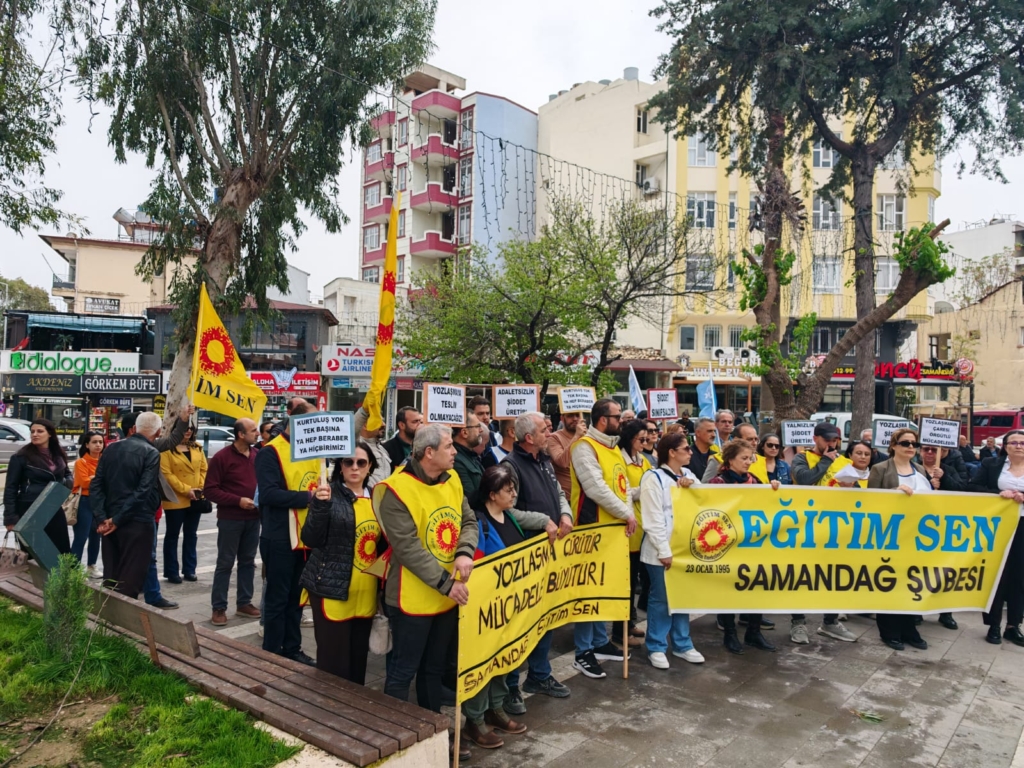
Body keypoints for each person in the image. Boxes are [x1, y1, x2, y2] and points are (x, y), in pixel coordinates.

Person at [375, 425, 478, 762]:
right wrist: (448, 584)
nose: (455, 451)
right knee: (403, 671)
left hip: (446, 595)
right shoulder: (395, 490)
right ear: (429, 452)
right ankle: (395, 738)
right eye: (449, 446)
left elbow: (468, 520)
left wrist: (464, 552)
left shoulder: (453, 479)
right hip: (412, 599)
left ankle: (435, 734)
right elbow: (408, 549)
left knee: (433, 670)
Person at [463, 465, 556, 750]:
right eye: (508, 490)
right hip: (487, 612)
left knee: (503, 660)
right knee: (483, 664)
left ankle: (496, 708)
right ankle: (475, 720)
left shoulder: (511, 517)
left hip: (509, 608)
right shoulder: (479, 523)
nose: (514, 494)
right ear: (492, 494)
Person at [499, 412, 574, 712]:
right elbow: (508, 510)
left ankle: (539, 675)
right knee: (520, 621)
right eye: (544, 430)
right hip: (525, 553)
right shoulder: (510, 466)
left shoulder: (544, 459)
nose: (549, 434)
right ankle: (510, 686)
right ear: (529, 437)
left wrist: (564, 514)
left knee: (546, 614)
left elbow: (558, 492)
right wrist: (543, 520)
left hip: (548, 552)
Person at [300, 442, 382, 683]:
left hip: (365, 591)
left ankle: (354, 704)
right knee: (333, 662)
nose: (355, 467)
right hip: (331, 589)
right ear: (341, 466)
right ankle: (329, 704)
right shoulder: (327, 495)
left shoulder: (379, 498)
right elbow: (310, 538)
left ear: (370, 466)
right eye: (349, 462)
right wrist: (319, 506)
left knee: (358, 659)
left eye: (361, 462)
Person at [568, 398, 638, 679]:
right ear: (602, 420)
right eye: (617, 416)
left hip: (612, 532)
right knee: (589, 592)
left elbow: (623, 487)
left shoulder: (613, 448)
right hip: (591, 530)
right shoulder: (583, 447)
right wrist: (627, 513)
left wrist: (630, 508)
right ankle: (582, 651)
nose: (621, 421)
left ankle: (599, 642)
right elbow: (595, 488)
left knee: (604, 588)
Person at [257, 400, 318, 664]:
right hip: (280, 536)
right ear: (296, 421)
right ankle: (272, 653)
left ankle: (292, 648)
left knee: (297, 598)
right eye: (313, 421)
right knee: (277, 599)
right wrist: (308, 497)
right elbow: (268, 494)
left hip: (306, 536)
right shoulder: (270, 452)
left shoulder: (314, 450)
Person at [640, 431, 704, 669]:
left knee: (682, 596)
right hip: (660, 551)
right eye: (686, 448)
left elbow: (705, 498)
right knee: (661, 598)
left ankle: (682, 643)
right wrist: (663, 550)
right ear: (672, 452)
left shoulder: (688, 474)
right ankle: (656, 646)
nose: (690, 452)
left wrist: (692, 486)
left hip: (685, 549)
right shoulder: (653, 478)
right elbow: (653, 518)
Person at [708, 440, 780, 653]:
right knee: (729, 589)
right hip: (729, 544)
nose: (749, 462)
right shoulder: (718, 483)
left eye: (750, 458)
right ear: (730, 460)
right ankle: (730, 634)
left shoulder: (755, 481)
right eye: (744, 458)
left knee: (756, 586)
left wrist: (774, 490)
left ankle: (753, 632)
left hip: (752, 544)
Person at [867, 427, 935, 651]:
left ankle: (909, 628)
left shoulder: (920, 469)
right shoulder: (880, 469)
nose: (910, 447)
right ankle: (889, 630)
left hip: (915, 535)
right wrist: (894, 493)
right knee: (889, 581)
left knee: (911, 581)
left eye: (914, 444)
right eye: (905, 443)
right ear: (894, 445)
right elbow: (870, 503)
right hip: (889, 535)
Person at [789, 426, 858, 645]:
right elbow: (804, 479)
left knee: (835, 575)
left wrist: (851, 488)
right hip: (806, 526)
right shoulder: (802, 458)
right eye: (827, 439)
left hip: (835, 527)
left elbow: (858, 494)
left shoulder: (844, 462)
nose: (832, 444)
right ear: (815, 438)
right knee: (801, 575)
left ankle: (830, 622)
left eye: (835, 440)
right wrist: (826, 462)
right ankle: (798, 622)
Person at [90, 412, 164, 598]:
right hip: (137, 520)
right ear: (158, 432)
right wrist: (116, 519)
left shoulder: (111, 448)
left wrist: (102, 518)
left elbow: (96, 485)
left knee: (112, 574)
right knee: (131, 577)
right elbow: (143, 491)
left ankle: (108, 611)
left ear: (135, 428)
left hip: (110, 518)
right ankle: (123, 615)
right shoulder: (151, 452)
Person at [968, 428, 1024, 646]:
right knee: (997, 574)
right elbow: (973, 486)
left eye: (1022, 443)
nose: (1019, 446)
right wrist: (997, 495)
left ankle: (1013, 625)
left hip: (1022, 526)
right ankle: (994, 625)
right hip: (997, 527)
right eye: (1014, 442)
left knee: (1019, 577)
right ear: (1005, 446)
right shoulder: (991, 464)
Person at [204, 418, 261, 626]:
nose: (257, 433)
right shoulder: (222, 457)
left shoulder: (257, 455)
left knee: (248, 562)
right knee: (225, 563)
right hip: (231, 519)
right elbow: (210, 490)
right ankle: (219, 607)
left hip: (254, 518)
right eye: (253, 430)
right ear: (240, 434)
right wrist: (238, 501)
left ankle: (244, 602)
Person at [3, 419, 73, 553]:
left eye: (40, 431)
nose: (35, 434)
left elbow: (67, 474)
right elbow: (11, 488)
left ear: (50, 434)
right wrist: (10, 518)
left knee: (61, 551)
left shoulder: (58, 454)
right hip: (30, 509)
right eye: (32, 431)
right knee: (35, 553)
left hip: (53, 507)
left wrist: (67, 482)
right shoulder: (20, 457)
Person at [918, 444, 966, 631]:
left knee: (945, 570)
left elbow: (962, 489)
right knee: (919, 569)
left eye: (934, 450)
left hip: (944, 527)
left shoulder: (948, 470)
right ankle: (916, 610)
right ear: (920, 451)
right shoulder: (913, 469)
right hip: (919, 527)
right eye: (926, 449)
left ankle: (946, 613)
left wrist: (944, 478)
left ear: (942, 452)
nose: (930, 453)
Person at [613, 418, 650, 648]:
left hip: (642, 527)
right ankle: (620, 632)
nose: (645, 443)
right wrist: (644, 489)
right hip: (628, 528)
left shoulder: (643, 460)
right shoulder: (620, 459)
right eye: (641, 439)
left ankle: (631, 621)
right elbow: (623, 490)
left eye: (647, 439)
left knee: (634, 578)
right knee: (624, 584)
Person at [160, 425, 209, 584]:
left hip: (196, 497)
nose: (188, 431)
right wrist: (186, 490)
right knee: (172, 535)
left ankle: (189, 569)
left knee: (191, 534)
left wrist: (199, 488)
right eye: (184, 428)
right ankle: (171, 571)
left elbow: (204, 469)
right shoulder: (166, 449)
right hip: (175, 497)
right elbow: (167, 474)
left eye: (191, 429)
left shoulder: (197, 447)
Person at [71, 431, 105, 577]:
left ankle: (92, 566)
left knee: (96, 536)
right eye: (94, 442)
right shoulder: (81, 462)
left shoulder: (104, 461)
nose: (98, 445)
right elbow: (84, 483)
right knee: (81, 536)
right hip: (84, 501)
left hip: (100, 502)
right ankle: (73, 570)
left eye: (100, 442)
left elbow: (108, 481)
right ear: (87, 445)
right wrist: (99, 479)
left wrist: (93, 478)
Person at [548, 411, 587, 498]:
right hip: (567, 497)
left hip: (587, 496)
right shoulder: (554, 438)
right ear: (562, 418)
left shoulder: (588, 437)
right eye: (570, 416)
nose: (575, 419)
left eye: (577, 415)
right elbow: (562, 462)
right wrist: (577, 436)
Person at [452, 413, 487, 507]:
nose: (481, 430)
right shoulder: (456, 460)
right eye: (478, 426)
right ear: (464, 432)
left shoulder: (471, 455)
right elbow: (471, 499)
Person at [353, 405, 392, 488]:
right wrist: (363, 411)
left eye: (383, 421)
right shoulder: (356, 447)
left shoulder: (382, 449)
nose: (384, 424)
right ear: (365, 425)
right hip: (365, 495)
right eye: (378, 421)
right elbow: (350, 432)